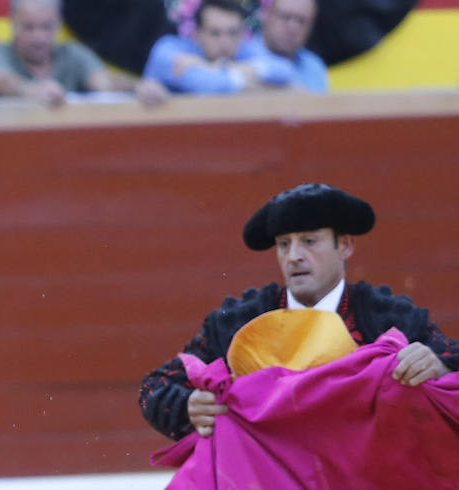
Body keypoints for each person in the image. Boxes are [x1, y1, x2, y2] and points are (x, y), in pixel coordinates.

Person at [139, 183, 459, 441]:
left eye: (309, 241)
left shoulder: (390, 318)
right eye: (283, 244)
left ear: (345, 245)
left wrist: (440, 368)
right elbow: (156, 387)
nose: (294, 256)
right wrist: (189, 407)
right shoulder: (239, 320)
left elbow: (452, 364)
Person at [0, 0, 167, 108]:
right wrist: (31, 91)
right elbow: (1, 81)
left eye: (46, 27)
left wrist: (138, 87)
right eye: (29, 27)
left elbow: (104, 81)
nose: (38, 37)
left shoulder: (72, 54)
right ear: (13, 23)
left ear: (58, 23)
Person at [143, 0, 317, 97]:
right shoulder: (168, 50)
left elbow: (283, 70)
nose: (225, 43)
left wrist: (211, 67)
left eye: (233, 33)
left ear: (242, 34)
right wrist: (261, 85)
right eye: (215, 33)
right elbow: (208, 87)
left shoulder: (244, 51)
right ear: (196, 34)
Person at [240, 0, 329, 94]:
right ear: (266, 14)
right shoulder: (240, 55)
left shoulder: (314, 66)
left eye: (301, 21)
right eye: (285, 16)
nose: (293, 27)